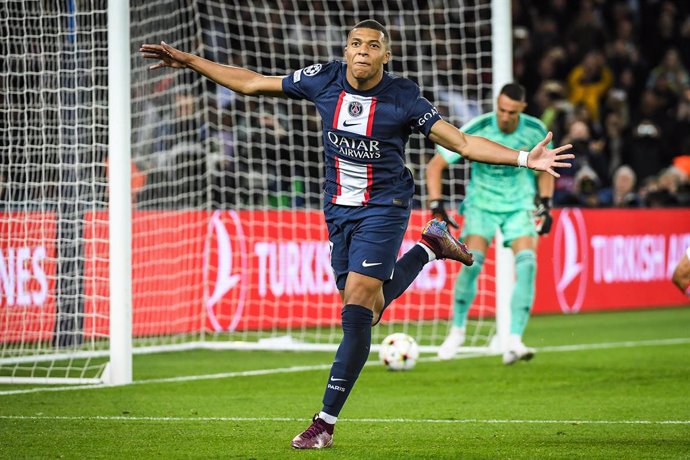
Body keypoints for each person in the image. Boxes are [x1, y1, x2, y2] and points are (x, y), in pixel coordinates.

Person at [141, 20, 573, 450]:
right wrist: (189, 60)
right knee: (371, 309)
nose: (362, 51)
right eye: (355, 44)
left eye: (372, 45)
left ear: (386, 55)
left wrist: (522, 159)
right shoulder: (323, 78)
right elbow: (253, 83)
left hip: (385, 208)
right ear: (346, 51)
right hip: (338, 210)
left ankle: (324, 423)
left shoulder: (403, 97)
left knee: (357, 307)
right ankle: (429, 246)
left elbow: (460, 143)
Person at [426, 83, 555, 365]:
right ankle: (457, 331)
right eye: (501, 109)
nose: (505, 116)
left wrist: (545, 204)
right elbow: (436, 165)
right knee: (472, 262)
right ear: (496, 104)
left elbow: (546, 168)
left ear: (521, 109)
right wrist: (437, 204)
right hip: (482, 204)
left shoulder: (534, 130)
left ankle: (514, 340)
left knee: (528, 263)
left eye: (512, 111)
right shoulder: (479, 126)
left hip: (519, 204)